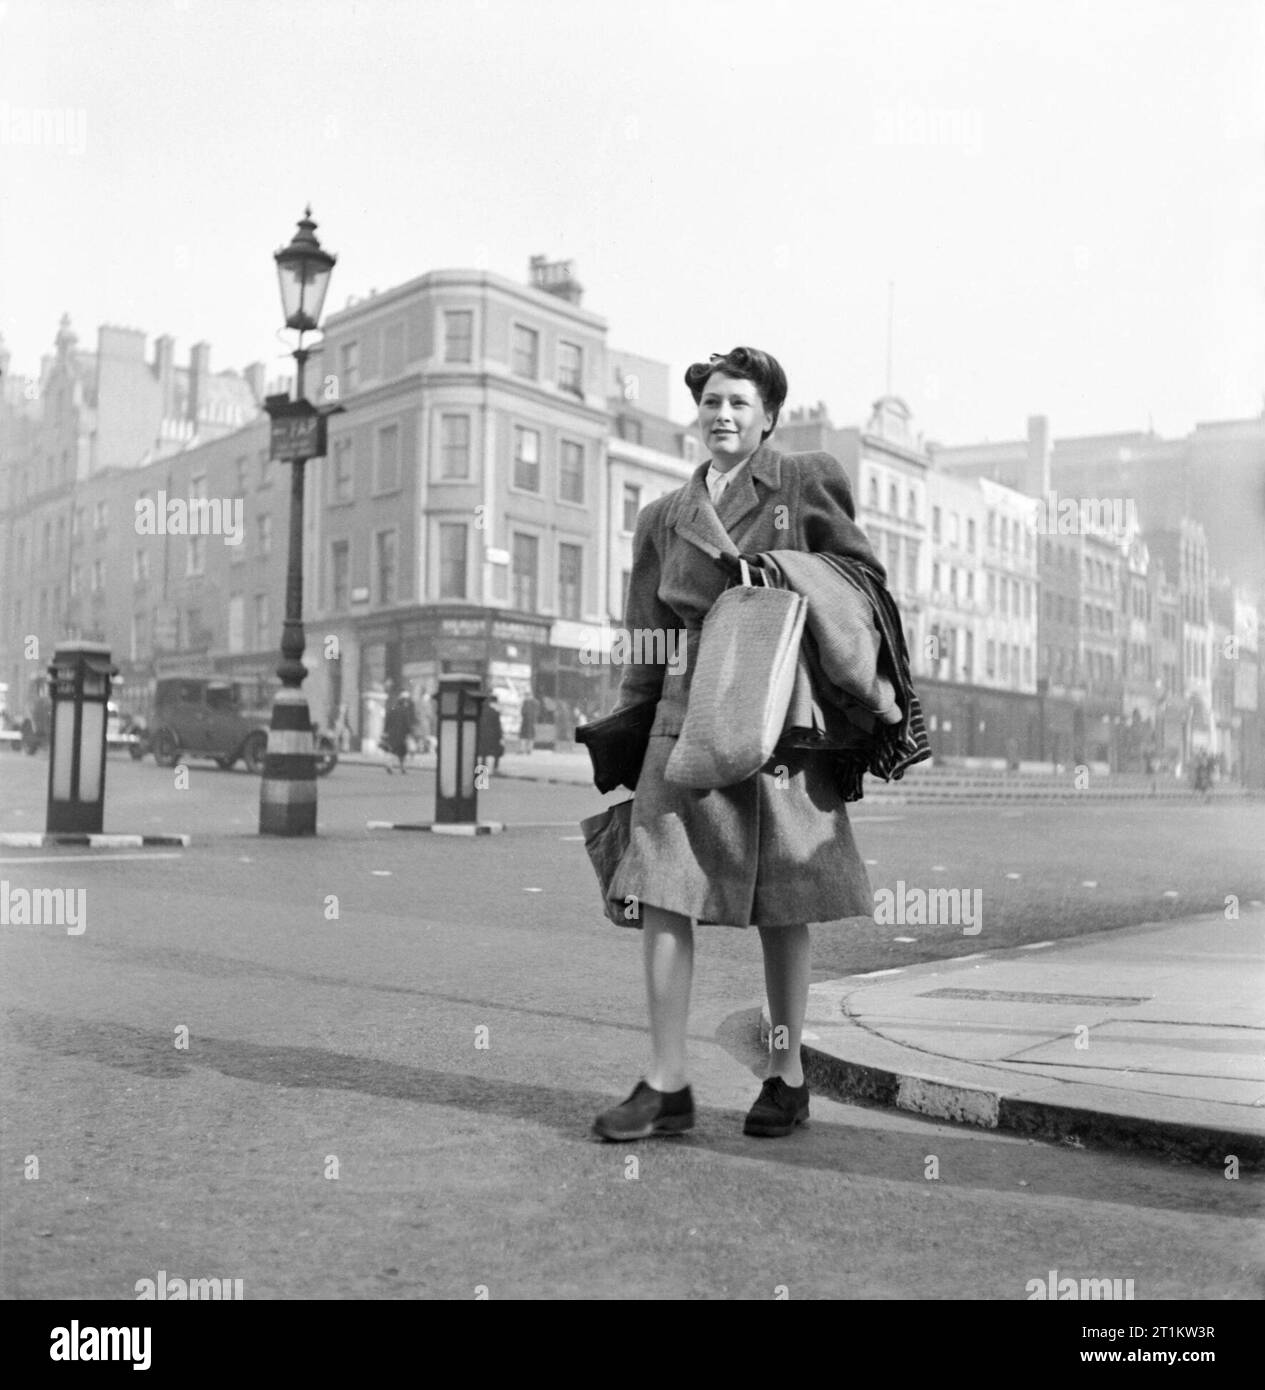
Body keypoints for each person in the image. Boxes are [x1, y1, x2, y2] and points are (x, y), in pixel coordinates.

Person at [592, 345, 906, 1144]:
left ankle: (786, 1073)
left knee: (782, 901)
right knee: (663, 892)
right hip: (685, 717)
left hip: (775, 716)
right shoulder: (662, 517)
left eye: (738, 403)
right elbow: (649, 636)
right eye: (710, 403)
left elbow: (860, 580)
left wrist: (774, 571)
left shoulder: (802, 479)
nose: (721, 415)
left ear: (767, 417)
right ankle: (666, 1084)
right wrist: (630, 733)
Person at [381, 693, 415, 775]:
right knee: (402, 753)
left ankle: (389, 765)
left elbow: (387, 721)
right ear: (404, 702)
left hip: (392, 734)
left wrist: (385, 732)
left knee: (391, 751)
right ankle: (403, 768)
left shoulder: (392, 709)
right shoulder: (405, 710)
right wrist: (410, 733)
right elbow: (407, 723)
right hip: (401, 735)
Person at [477, 694, 505, 775]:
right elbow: (498, 725)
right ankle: (489, 772)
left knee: (480, 753)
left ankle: (480, 773)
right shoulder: (494, 712)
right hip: (492, 736)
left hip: (480, 735)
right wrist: (500, 736)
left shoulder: (479, 711)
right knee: (490, 753)